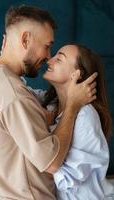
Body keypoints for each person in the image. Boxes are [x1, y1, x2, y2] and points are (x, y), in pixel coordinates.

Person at [0, 5, 97, 200]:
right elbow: (51, 162)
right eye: (47, 45)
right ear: (25, 39)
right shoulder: (13, 95)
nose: (49, 56)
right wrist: (72, 106)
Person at [41, 44, 114, 200]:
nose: (49, 60)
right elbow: (18, 95)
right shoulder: (51, 106)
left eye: (59, 59)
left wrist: (44, 135)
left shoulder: (86, 117)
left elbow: (68, 178)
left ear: (76, 75)